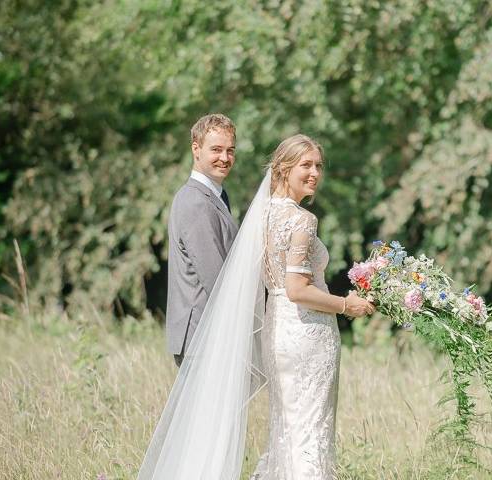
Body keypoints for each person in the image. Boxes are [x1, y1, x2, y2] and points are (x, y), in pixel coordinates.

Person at [137, 134, 373, 480]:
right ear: (283, 168)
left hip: (277, 331)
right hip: (306, 333)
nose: (315, 173)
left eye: (318, 165)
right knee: (309, 432)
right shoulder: (302, 220)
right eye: (306, 165)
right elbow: (296, 289)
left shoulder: (260, 214)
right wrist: (345, 304)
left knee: (287, 429)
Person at [165, 113, 238, 367]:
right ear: (196, 149)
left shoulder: (217, 195)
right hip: (200, 337)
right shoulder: (195, 201)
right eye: (216, 149)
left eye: (230, 150)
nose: (225, 158)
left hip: (212, 335)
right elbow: (214, 276)